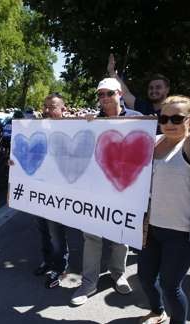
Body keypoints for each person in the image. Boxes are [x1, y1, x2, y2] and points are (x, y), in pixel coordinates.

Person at [137, 39, 190, 324]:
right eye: (165, 117)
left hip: (183, 234)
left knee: (171, 287)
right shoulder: (155, 141)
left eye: (177, 118)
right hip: (153, 228)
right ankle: (156, 311)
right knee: (146, 278)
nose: (170, 122)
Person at [70, 78, 141, 306]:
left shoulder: (139, 119)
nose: (104, 98)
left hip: (125, 189)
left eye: (108, 93)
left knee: (121, 236)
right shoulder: (92, 121)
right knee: (91, 237)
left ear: (119, 93)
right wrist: (84, 126)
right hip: (95, 190)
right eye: (100, 95)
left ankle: (118, 273)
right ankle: (89, 282)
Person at [33, 92, 71, 289]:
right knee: (42, 230)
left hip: (59, 193)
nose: (47, 110)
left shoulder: (73, 129)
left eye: (52, 107)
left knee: (56, 233)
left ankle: (60, 267)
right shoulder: (38, 128)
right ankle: (47, 261)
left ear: (63, 109)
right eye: (45, 106)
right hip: (39, 190)